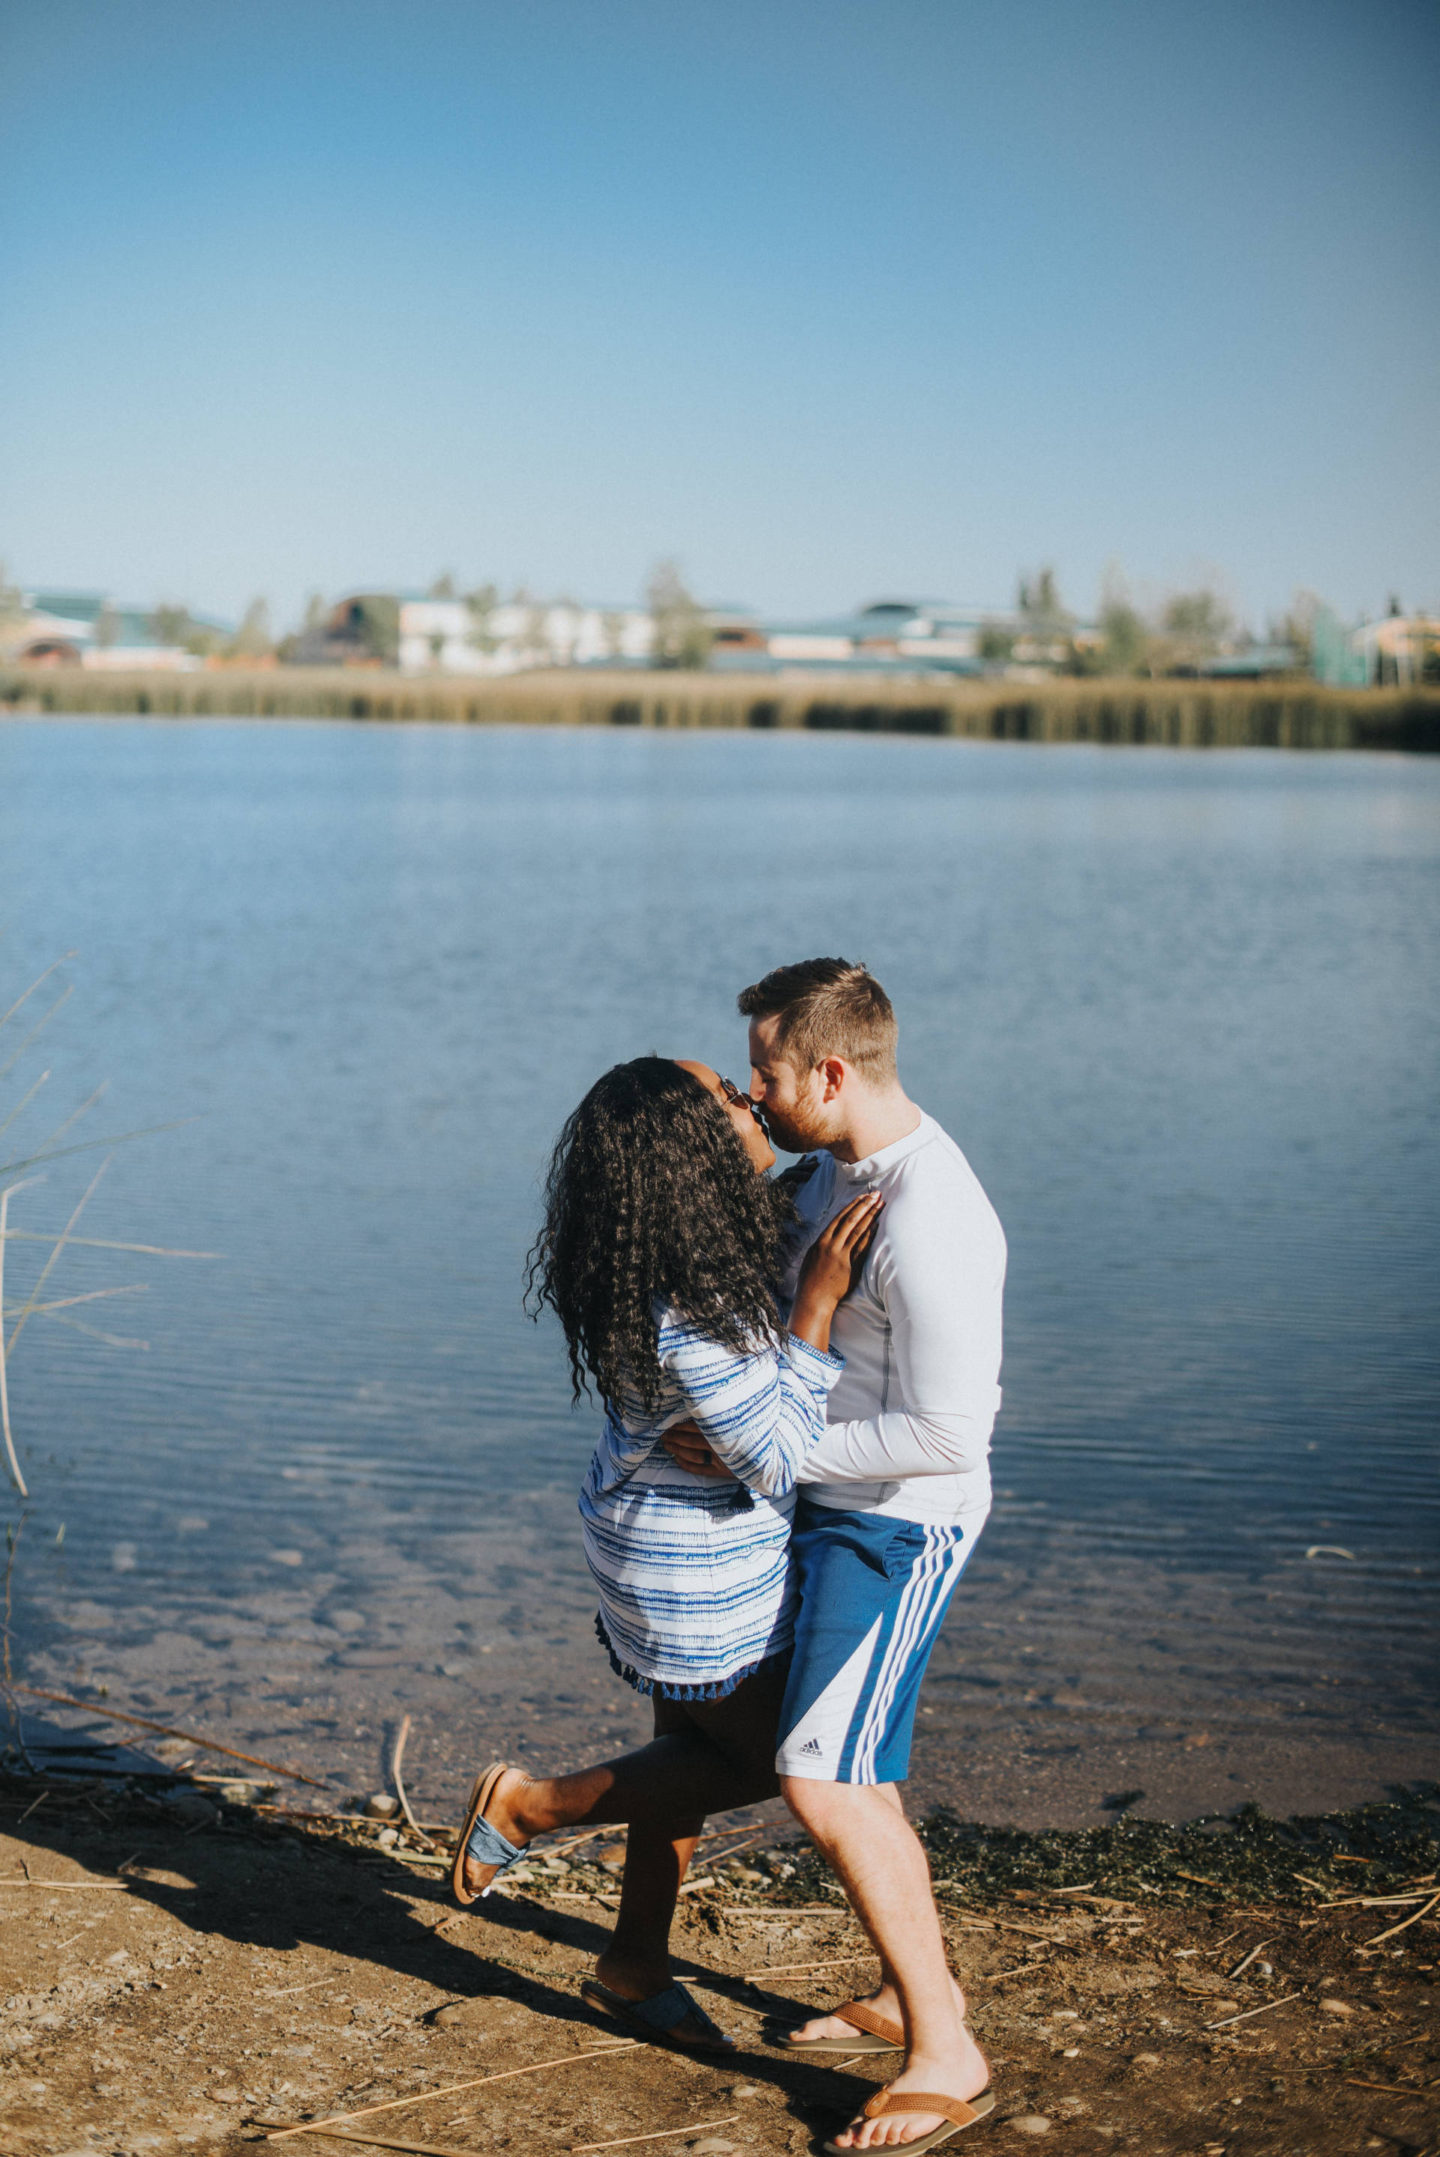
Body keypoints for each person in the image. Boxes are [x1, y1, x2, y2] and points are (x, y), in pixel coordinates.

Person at [450, 1053, 881, 2056]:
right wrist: (815, 1307)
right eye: (726, 1098)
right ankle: (529, 1806)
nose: (747, 1094)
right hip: (693, 1568)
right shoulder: (693, 1302)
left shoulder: (681, 1247)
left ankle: (635, 1968)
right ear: (690, 1150)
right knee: (791, 1760)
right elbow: (777, 1457)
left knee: (681, 1765)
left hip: (664, 1539)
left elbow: (740, 1427)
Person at [664, 959, 1005, 2151]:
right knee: (857, 1771)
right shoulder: (829, 1176)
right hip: (830, 1508)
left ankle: (946, 2053)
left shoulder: (932, 1215)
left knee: (818, 1778)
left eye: (764, 1073)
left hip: (900, 1525)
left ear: (830, 1070)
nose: (752, 1097)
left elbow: (950, 1433)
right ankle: (924, 1995)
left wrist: (764, 1453)